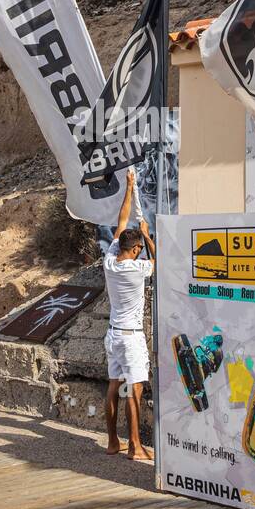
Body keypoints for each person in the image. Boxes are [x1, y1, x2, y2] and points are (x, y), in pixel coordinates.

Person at [102, 169, 155, 461]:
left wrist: (129, 188)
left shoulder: (110, 260)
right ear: (135, 249)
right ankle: (135, 446)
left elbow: (121, 223)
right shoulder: (137, 269)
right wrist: (147, 235)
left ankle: (112, 441)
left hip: (112, 335)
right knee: (133, 391)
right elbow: (158, 262)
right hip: (131, 337)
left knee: (113, 386)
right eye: (138, 249)